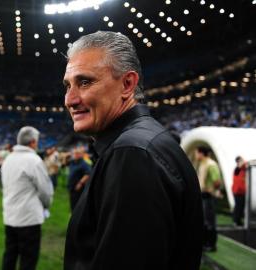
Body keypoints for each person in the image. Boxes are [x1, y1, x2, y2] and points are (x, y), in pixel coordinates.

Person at [62, 31, 203, 269]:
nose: (70, 99)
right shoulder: (139, 143)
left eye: (84, 82)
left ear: (127, 84)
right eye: (68, 85)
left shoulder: (132, 153)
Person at [1, 126, 54, 270]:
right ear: (32, 142)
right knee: (28, 260)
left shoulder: (8, 159)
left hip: (10, 216)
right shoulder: (33, 160)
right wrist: (46, 206)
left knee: (10, 255)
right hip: (28, 218)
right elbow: (45, 191)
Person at [195, 146, 222, 252]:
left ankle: (211, 245)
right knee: (205, 221)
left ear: (201, 153)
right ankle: (206, 243)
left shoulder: (211, 164)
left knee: (210, 221)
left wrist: (211, 190)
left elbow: (217, 181)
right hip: (203, 195)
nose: (196, 155)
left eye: (197, 153)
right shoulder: (203, 163)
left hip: (209, 196)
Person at [67, 146, 91, 211]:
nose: (76, 154)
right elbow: (64, 163)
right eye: (75, 153)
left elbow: (88, 173)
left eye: (78, 153)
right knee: (72, 204)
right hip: (71, 186)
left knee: (76, 206)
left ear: (82, 154)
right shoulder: (73, 161)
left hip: (78, 188)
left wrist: (80, 183)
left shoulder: (84, 164)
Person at [232, 156, 247, 226]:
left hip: (241, 191)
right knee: (238, 206)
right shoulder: (237, 169)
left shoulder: (243, 169)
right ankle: (236, 221)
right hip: (237, 191)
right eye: (240, 161)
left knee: (241, 206)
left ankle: (238, 220)